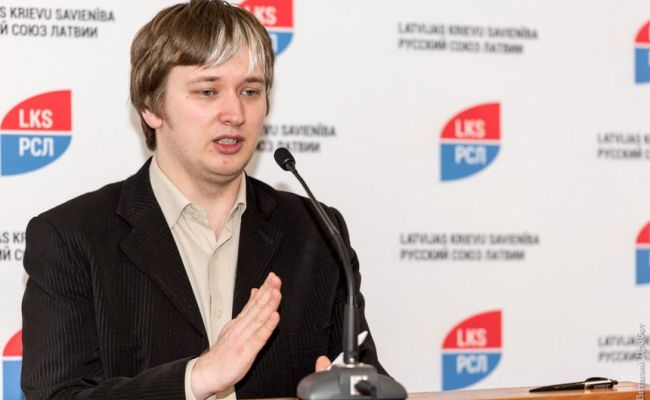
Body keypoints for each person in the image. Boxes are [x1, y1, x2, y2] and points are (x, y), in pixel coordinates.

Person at [20, 1, 385, 399]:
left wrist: (352, 392)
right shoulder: (71, 237)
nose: (235, 113)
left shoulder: (317, 232)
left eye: (250, 91)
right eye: (208, 91)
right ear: (151, 106)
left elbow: (366, 380)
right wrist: (195, 378)